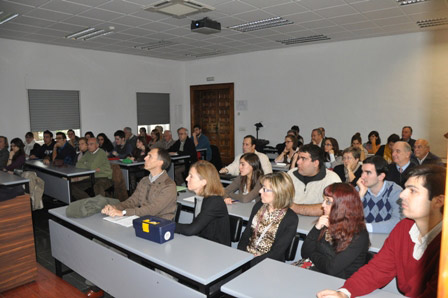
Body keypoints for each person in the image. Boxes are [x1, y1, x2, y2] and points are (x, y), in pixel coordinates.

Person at [317, 165, 445, 298]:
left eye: (412, 191)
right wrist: (344, 293)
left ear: (438, 201)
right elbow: (378, 270)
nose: (402, 194)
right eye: (406, 188)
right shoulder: (404, 228)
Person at [300, 183, 369, 279]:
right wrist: (317, 228)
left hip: (337, 281)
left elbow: (331, 269)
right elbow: (304, 253)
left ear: (342, 206)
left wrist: (312, 254)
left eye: (328, 201)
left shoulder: (358, 235)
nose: (323, 205)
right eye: (324, 200)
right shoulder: (327, 221)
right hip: (316, 271)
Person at [238, 172, 298, 265]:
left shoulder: (290, 218)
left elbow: (277, 251)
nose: (260, 191)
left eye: (265, 189)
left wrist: (252, 262)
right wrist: (241, 254)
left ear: (279, 192)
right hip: (247, 258)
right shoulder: (258, 206)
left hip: (269, 264)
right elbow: (246, 234)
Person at [102, 148, 177, 219]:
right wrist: (115, 207)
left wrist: (123, 212)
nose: (145, 158)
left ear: (160, 163)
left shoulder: (169, 185)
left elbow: (152, 210)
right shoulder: (144, 181)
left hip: (160, 224)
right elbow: (132, 201)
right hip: (143, 219)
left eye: (150, 156)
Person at [175, 160, 231, 246]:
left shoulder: (215, 202)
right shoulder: (200, 197)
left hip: (217, 250)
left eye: (191, 176)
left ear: (204, 182)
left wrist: (167, 225)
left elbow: (191, 229)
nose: (186, 179)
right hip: (203, 243)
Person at [287, 144, 341, 216]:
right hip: (290, 220)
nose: (298, 162)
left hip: (318, 223)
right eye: (298, 158)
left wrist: (294, 207)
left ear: (316, 163)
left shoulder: (332, 179)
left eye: (303, 159)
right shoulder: (291, 174)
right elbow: (279, 199)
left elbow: (333, 207)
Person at [356, 156, 402, 233]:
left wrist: (365, 227)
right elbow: (348, 218)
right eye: (362, 171)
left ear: (381, 176)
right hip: (363, 238)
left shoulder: (395, 191)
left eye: (368, 172)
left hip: (387, 238)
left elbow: (398, 221)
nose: (362, 176)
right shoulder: (358, 189)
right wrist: (360, 196)